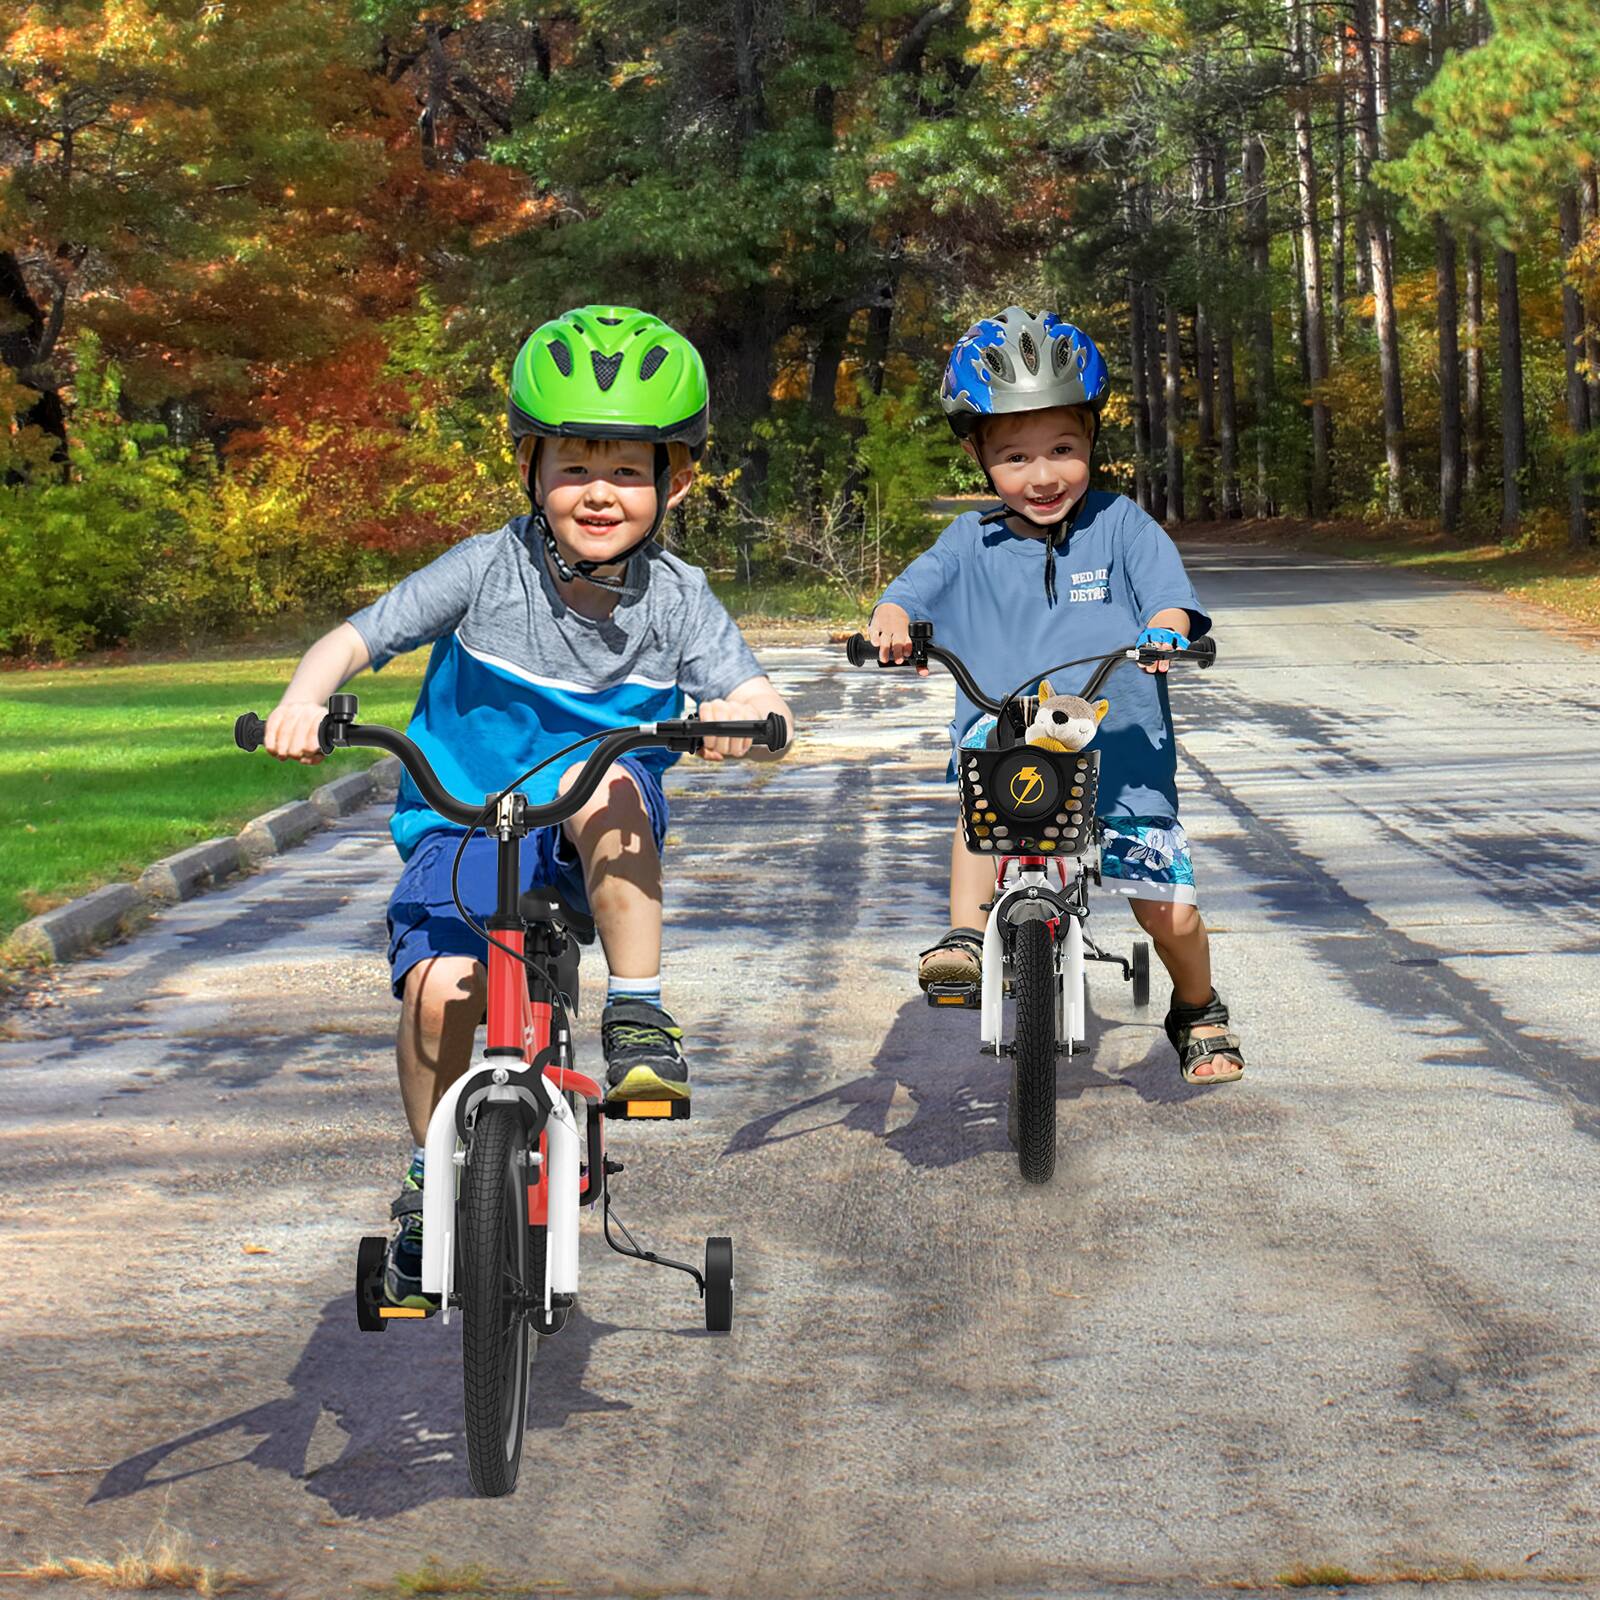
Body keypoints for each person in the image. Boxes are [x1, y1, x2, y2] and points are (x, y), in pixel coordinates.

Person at [262, 305, 795, 1305]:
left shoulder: (680, 598)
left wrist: (750, 716)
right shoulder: (485, 568)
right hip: (462, 821)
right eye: (574, 465)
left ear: (676, 481)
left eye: (628, 470)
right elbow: (358, 637)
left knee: (615, 783)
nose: (599, 491)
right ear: (527, 467)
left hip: (588, 833)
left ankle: (638, 1015)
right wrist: (305, 697)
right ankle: (429, 1177)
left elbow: (755, 692)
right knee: (440, 992)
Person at [867, 306, 1244, 1086]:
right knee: (981, 801)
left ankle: (1197, 1007)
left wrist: (1166, 630)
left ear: (1092, 440)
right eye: (1015, 457)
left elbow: (1168, 598)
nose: (1043, 477)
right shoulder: (970, 541)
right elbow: (911, 590)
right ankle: (965, 938)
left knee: (1167, 910)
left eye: (1063, 450)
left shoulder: (1122, 526)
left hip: (1121, 755)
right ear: (977, 455)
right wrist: (894, 619)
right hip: (1010, 743)